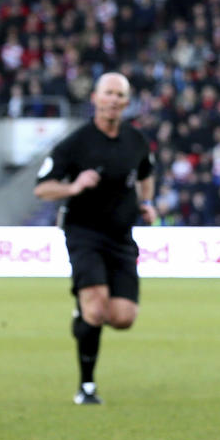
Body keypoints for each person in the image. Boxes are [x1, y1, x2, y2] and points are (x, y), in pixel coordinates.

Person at [34, 72, 156, 405]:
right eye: (108, 93)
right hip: (83, 233)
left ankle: (83, 316)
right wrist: (73, 187)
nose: (114, 100)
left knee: (122, 318)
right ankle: (86, 386)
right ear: (95, 98)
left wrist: (146, 203)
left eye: (120, 95)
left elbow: (146, 175)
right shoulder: (75, 143)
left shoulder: (136, 141)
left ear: (127, 103)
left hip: (121, 236)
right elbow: (42, 187)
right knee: (96, 307)